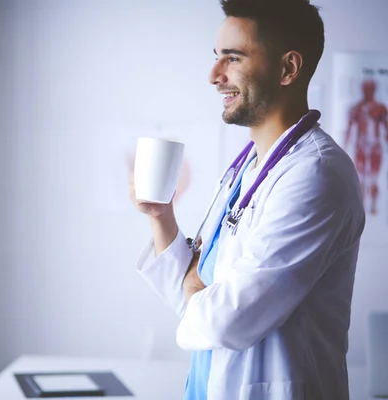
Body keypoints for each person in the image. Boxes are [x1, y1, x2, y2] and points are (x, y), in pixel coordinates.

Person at [129, 1, 366, 399]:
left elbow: (227, 320)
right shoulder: (248, 169)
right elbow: (195, 296)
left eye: (232, 58)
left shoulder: (316, 174)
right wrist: (160, 216)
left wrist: (200, 291)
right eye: (216, 57)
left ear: (288, 68)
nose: (214, 75)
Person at [344, 78, 388, 215]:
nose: (368, 91)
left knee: (374, 177)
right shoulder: (356, 109)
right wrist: (344, 146)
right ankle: (362, 207)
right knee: (361, 177)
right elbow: (349, 129)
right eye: (365, 88)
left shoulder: (380, 108)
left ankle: (373, 206)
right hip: (361, 147)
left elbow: (386, 128)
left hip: (375, 146)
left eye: (370, 88)